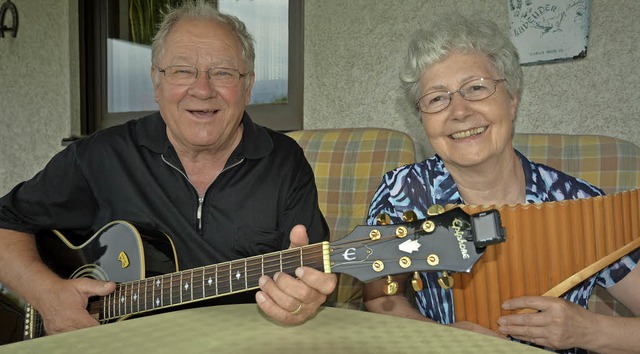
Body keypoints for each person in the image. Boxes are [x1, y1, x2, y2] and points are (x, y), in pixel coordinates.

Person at [0, 0, 336, 337]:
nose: (202, 89)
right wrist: (46, 294)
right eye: (182, 71)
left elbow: (314, 282)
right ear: (156, 82)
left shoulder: (284, 162)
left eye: (222, 73)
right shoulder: (102, 155)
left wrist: (304, 300)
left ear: (247, 87)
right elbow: (5, 224)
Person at [363, 14, 640, 354]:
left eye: (476, 88)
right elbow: (381, 299)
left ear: (512, 101)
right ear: (423, 121)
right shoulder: (402, 192)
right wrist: (440, 338)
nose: (459, 111)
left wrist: (588, 330)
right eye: (437, 98)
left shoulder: (580, 202)